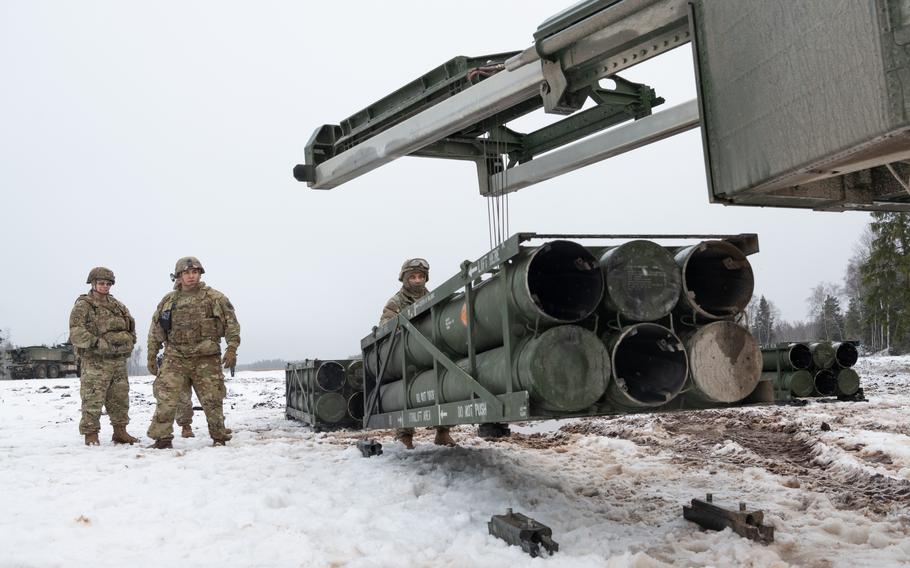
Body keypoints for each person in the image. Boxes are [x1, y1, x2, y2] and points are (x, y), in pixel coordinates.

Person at [146, 257, 240, 449]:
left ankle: (218, 436)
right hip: (175, 357)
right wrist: (151, 354)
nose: (191, 276)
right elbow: (156, 330)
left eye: (195, 272)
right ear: (178, 276)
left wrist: (232, 348)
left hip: (206, 358)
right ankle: (162, 439)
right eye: (187, 273)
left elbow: (232, 324)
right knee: (165, 397)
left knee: (213, 399)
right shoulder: (168, 301)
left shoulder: (215, 298)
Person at [379, 258, 456, 449]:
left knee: (442, 383)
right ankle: (405, 435)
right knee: (407, 389)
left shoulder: (433, 298)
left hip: (432, 349)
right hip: (407, 354)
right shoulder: (395, 302)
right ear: (405, 279)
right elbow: (385, 328)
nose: (417, 280)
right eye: (413, 277)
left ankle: (443, 431)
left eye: (421, 276)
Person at [68, 267, 139, 446]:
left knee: (120, 398)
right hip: (95, 361)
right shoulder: (83, 305)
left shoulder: (118, 306)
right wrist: (97, 343)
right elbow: (76, 333)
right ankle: (91, 435)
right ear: (93, 284)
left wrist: (129, 341)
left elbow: (130, 326)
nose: (105, 286)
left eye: (108, 284)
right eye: (101, 283)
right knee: (93, 398)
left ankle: (120, 432)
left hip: (117, 361)